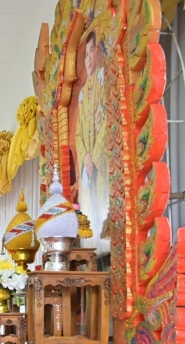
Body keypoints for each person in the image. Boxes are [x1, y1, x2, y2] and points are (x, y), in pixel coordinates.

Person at [74, 30, 109, 255]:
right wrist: (85, 156)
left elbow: (109, 121)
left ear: (98, 52)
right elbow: (77, 134)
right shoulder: (82, 94)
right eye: (85, 55)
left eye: (90, 52)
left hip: (101, 166)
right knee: (90, 225)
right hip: (88, 166)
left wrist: (95, 156)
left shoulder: (104, 81)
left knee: (105, 216)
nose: (88, 59)